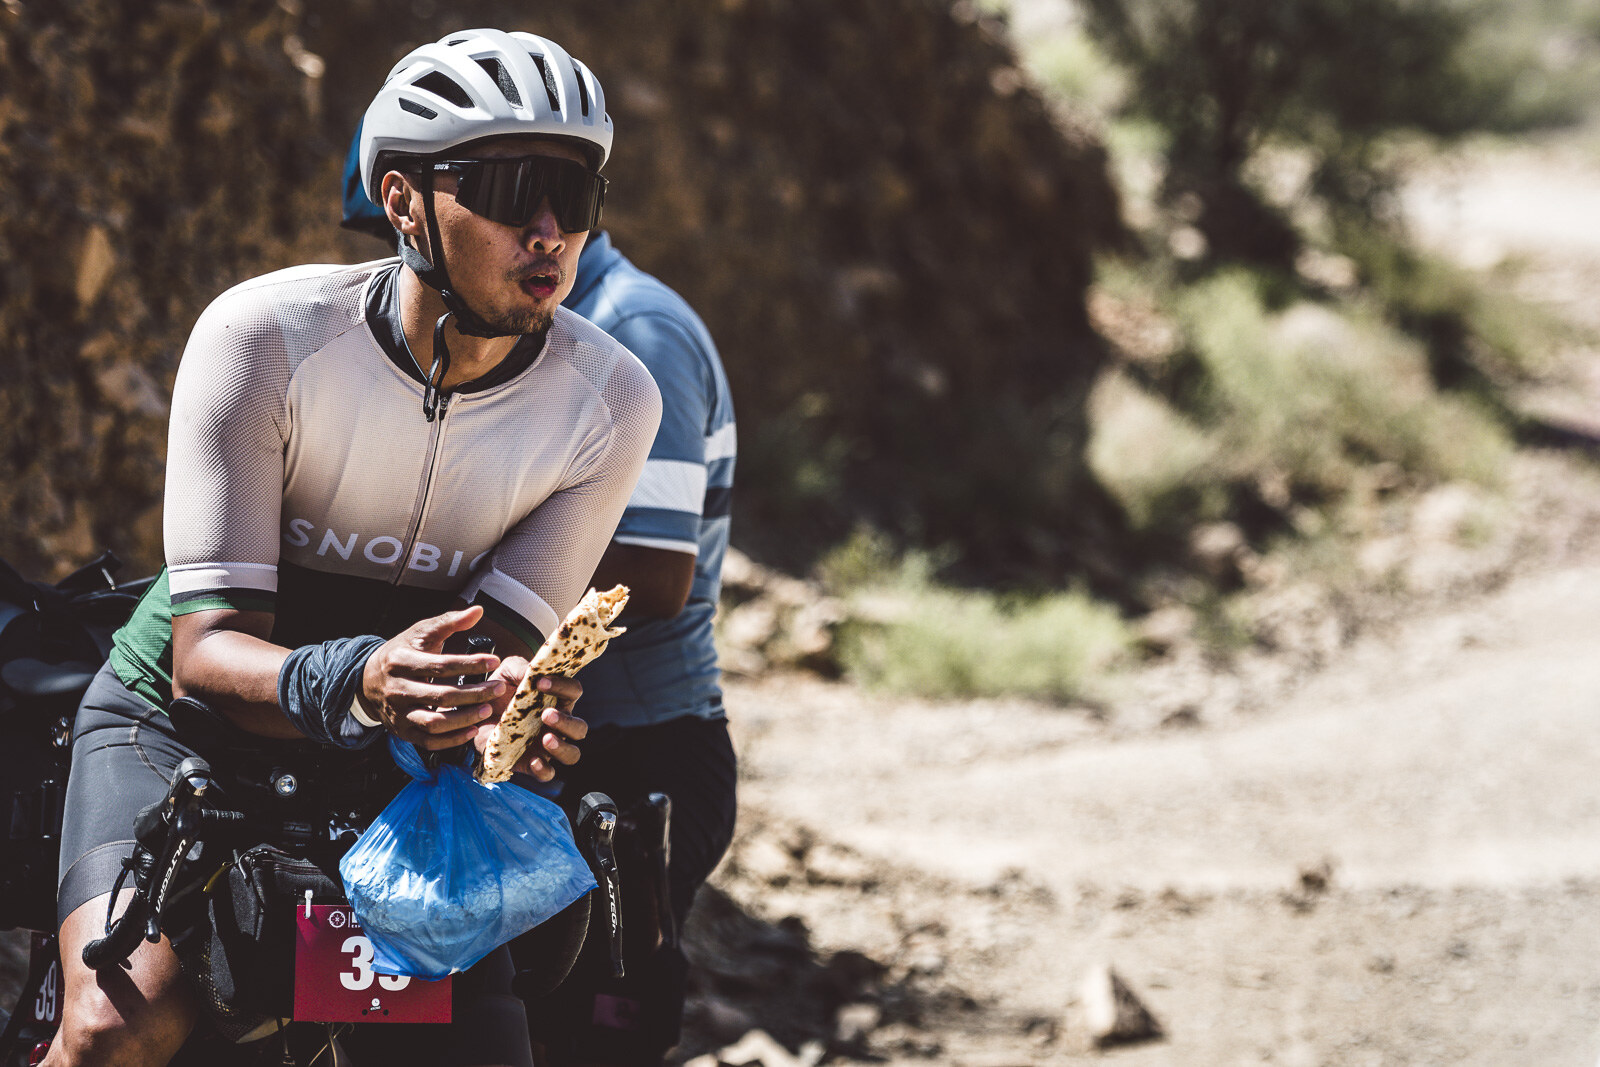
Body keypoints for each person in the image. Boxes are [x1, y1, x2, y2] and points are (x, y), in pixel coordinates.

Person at [48, 28, 660, 1067]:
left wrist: (509, 711)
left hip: (393, 760)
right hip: (186, 724)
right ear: (403, 200)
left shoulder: (611, 400)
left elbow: (503, 650)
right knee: (120, 1027)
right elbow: (205, 657)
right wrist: (368, 679)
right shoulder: (266, 338)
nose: (550, 230)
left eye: (576, 194)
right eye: (513, 190)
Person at [344, 101, 738, 1067]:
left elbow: (657, 570)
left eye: (558, 201)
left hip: (638, 742)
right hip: (535, 734)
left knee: (585, 1030)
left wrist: (447, 585)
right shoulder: (501, 347)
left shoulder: (629, 331)